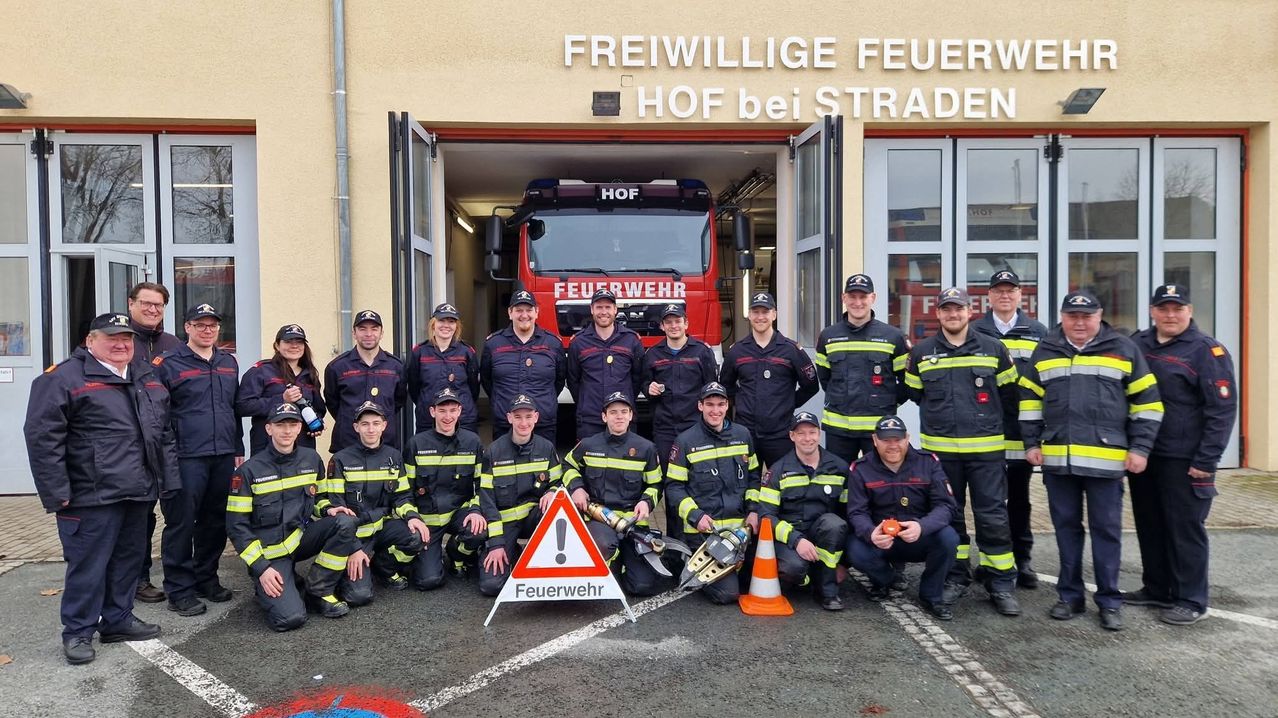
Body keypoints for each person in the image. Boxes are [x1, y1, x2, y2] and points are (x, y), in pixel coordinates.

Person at [25, 312, 178, 664]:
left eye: (126, 338)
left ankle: (117, 619)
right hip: (89, 495)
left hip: (139, 489)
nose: (122, 344)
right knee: (88, 565)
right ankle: (77, 631)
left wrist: (167, 480)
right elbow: (42, 438)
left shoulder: (144, 375)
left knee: (127, 561)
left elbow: (162, 433)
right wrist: (56, 492)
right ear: (90, 341)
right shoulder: (63, 378)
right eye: (112, 338)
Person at [1020, 290, 1164, 631]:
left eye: (1086, 316)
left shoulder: (1124, 349)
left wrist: (1140, 449)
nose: (1080, 322)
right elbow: (1029, 400)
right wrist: (1030, 443)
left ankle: (1109, 601)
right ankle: (1069, 596)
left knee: (1106, 532)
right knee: (1066, 530)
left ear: (1099, 316)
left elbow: (1148, 404)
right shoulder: (1046, 350)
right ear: (1062, 317)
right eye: (1072, 316)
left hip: (1107, 462)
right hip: (1058, 462)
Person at [903, 287, 1021, 617]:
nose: (952, 315)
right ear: (938, 314)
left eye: (958, 309)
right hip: (941, 456)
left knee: (993, 517)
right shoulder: (923, 353)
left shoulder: (993, 348)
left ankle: (1000, 583)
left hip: (986, 453)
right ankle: (956, 577)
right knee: (950, 518)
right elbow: (915, 394)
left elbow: (1010, 396)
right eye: (946, 310)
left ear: (970, 311)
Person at [1126, 284, 1237, 625]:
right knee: (1150, 524)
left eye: (1177, 308)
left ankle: (1191, 598)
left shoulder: (1207, 351)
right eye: (1163, 308)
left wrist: (1207, 460)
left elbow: (1221, 409)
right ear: (1152, 311)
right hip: (1145, 454)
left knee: (1185, 529)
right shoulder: (1138, 343)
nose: (1170, 315)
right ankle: (1157, 587)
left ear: (1189, 311)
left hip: (1185, 459)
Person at [225, 403, 359, 631]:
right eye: (280, 425)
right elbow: (237, 527)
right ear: (268, 429)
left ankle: (319, 589)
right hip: (270, 555)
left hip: (300, 540)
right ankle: (271, 584)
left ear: (299, 428)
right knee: (290, 619)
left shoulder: (311, 459)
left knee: (345, 521)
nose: (286, 431)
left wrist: (328, 509)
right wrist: (261, 568)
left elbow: (319, 498)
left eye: (292, 424)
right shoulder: (247, 472)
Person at [152, 303, 243, 617]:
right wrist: (166, 456)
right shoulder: (167, 363)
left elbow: (232, 410)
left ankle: (206, 578)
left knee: (215, 520)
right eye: (200, 325)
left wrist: (237, 449)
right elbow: (157, 416)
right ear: (187, 327)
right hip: (185, 457)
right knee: (181, 523)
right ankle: (179, 589)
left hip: (222, 455)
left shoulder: (228, 362)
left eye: (213, 325)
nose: (208, 330)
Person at [971, 269, 1049, 589]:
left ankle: (1023, 558)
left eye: (1011, 290)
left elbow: (1045, 379)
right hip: (982, 430)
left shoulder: (1038, 331)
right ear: (988, 296)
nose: (1005, 295)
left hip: (1019, 431)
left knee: (1018, 499)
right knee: (987, 500)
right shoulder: (975, 330)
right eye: (998, 290)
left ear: (1020, 295)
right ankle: (990, 560)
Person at [845, 415, 959, 620]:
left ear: (907, 438)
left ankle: (932, 595)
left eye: (897, 439)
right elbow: (856, 512)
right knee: (854, 548)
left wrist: (922, 527)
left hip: (916, 538)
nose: (892, 445)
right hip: (881, 541)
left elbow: (946, 506)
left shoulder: (928, 463)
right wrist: (871, 533)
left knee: (949, 538)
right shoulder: (860, 469)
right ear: (875, 440)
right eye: (886, 440)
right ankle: (885, 580)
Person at [665, 382, 761, 604]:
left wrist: (754, 511)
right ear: (700, 406)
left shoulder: (743, 435)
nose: (715, 410)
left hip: (741, 534)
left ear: (727, 406)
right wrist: (696, 516)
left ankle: (734, 569)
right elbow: (673, 488)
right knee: (728, 594)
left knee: (767, 577)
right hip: (705, 534)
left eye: (720, 404)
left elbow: (754, 478)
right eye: (709, 404)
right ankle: (691, 563)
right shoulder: (685, 441)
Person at [323, 401, 428, 606]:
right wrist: (353, 548)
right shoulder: (340, 460)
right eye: (365, 424)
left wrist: (413, 517)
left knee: (418, 536)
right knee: (359, 597)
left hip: (382, 528)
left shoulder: (394, 457)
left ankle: (384, 567)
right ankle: (349, 571)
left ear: (384, 425)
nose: (371, 429)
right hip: (354, 535)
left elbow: (402, 496)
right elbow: (338, 510)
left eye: (375, 423)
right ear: (356, 427)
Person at [562, 391, 664, 595]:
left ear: (631, 416)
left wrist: (646, 502)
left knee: (643, 587)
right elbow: (567, 466)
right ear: (604, 416)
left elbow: (656, 485)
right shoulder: (589, 445)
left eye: (624, 412)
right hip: (600, 520)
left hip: (633, 524)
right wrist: (577, 487)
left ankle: (622, 563)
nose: (619, 416)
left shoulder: (646, 448)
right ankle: (611, 558)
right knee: (603, 545)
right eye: (613, 412)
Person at [756, 411, 851, 611]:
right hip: (790, 539)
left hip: (823, 534)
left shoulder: (839, 468)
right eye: (801, 433)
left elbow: (848, 516)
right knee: (793, 569)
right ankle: (809, 578)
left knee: (834, 523)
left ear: (819, 433)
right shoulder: (777, 471)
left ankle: (827, 591)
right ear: (792, 436)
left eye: (812, 432)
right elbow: (766, 516)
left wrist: (845, 564)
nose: (807, 438)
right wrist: (796, 540)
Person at [127, 281, 183, 604]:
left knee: (175, 511)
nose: (152, 310)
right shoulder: (121, 341)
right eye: (146, 303)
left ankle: (179, 574)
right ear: (131, 304)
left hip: (170, 442)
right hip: (136, 445)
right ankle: (138, 577)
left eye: (158, 305)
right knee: (140, 516)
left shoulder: (174, 344)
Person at [815, 274, 911, 463]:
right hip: (839, 429)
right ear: (844, 298)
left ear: (873, 298)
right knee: (838, 483)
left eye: (863, 297)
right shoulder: (828, 336)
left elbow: (908, 382)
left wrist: (888, 403)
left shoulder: (893, 336)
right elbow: (826, 380)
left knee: (877, 484)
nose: (857, 302)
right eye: (852, 296)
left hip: (879, 428)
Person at [475, 394, 562, 596]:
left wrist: (551, 491)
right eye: (518, 416)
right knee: (491, 586)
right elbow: (487, 502)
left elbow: (559, 481)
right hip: (504, 526)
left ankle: (543, 559)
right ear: (509, 418)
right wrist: (496, 544)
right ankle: (505, 550)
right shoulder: (494, 452)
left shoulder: (546, 448)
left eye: (528, 416)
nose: (524, 422)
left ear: (536, 417)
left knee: (555, 509)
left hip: (533, 520)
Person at [720, 292, 818, 467]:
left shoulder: (791, 349)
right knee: (745, 486)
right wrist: (743, 401)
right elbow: (725, 387)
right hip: (746, 433)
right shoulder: (737, 351)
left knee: (782, 486)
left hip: (780, 434)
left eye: (765, 312)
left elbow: (811, 386)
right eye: (755, 312)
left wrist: (788, 403)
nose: (760, 317)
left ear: (774, 314)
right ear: (749, 315)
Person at [402, 388, 486, 590]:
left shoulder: (472, 442)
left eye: (452, 410)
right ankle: (427, 557)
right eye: (442, 411)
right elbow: (404, 491)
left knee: (479, 530)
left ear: (459, 411)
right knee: (428, 581)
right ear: (432, 412)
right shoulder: (415, 444)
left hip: (459, 513)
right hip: (428, 520)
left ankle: (456, 553)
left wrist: (475, 511)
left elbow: (482, 485)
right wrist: (412, 517)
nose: (448, 417)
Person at [481, 289, 566, 446]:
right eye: (519, 310)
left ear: (537, 312)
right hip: (505, 424)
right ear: (510, 313)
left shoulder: (553, 344)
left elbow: (558, 381)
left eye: (529, 310)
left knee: (542, 470)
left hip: (543, 424)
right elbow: (488, 381)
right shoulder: (493, 344)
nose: (524, 315)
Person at [641, 303, 719, 466]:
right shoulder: (653, 354)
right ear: (662, 326)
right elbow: (644, 383)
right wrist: (649, 388)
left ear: (686, 323)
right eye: (668, 322)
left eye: (677, 321)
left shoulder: (702, 352)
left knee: (698, 472)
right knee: (667, 472)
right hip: (665, 427)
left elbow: (711, 388)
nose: (673, 326)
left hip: (695, 425)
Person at [324, 310, 407, 453]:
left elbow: (398, 402)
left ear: (381, 333)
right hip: (347, 443)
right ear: (354, 333)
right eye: (362, 329)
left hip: (385, 443)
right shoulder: (337, 367)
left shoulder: (396, 366)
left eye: (374, 329)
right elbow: (333, 403)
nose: (368, 334)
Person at [567, 288, 645, 441]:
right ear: (592, 310)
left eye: (608, 307)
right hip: (590, 419)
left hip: (622, 420)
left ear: (615, 309)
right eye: (599, 307)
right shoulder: (578, 342)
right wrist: (586, 401)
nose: (604, 312)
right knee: (589, 463)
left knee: (626, 463)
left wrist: (625, 400)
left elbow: (638, 379)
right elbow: (572, 380)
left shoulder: (632, 340)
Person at [237, 324, 326, 455]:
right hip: (267, 448)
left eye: (299, 342)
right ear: (277, 345)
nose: (294, 346)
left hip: (303, 448)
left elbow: (319, 409)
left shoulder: (310, 375)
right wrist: (282, 400)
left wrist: (315, 424)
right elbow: (242, 406)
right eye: (288, 341)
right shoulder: (261, 371)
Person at [406, 302, 480, 434]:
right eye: (442, 320)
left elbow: (473, 387)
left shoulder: (467, 352)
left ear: (456, 326)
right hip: (428, 420)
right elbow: (414, 387)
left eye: (451, 321)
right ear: (433, 324)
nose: (446, 325)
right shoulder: (419, 352)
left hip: (463, 420)